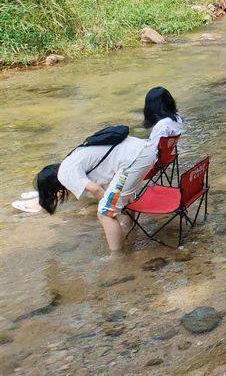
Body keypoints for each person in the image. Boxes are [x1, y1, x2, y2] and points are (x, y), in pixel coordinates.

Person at [34, 87, 184, 252]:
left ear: (53, 189)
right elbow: (104, 184)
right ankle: (129, 233)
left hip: (135, 159)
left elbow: (97, 189)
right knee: (119, 201)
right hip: (141, 152)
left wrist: (109, 208)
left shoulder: (65, 173)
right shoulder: (72, 159)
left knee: (105, 212)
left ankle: (117, 258)